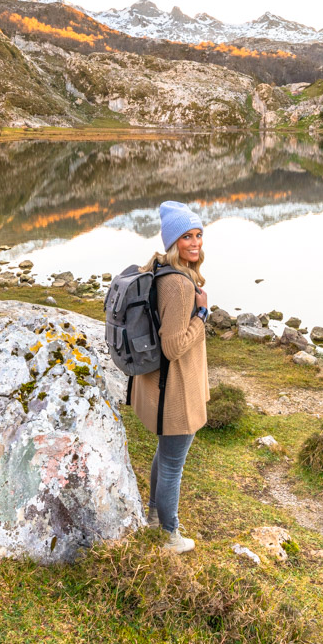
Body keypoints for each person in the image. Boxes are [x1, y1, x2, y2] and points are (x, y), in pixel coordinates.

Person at [131, 200, 209, 553]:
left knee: (164, 456)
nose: (195, 243)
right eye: (187, 237)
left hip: (163, 387)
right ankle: (169, 534)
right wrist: (202, 317)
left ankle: (152, 516)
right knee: (173, 465)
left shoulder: (160, 269)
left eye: (198, 235)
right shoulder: (179, 285)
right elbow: (174, 346)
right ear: (173, 241)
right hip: (175, 391)